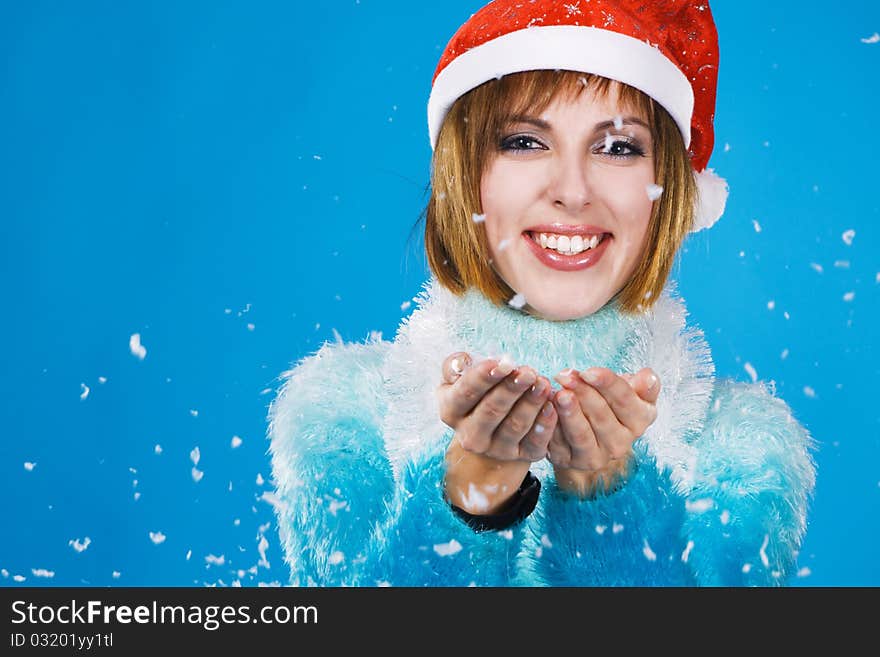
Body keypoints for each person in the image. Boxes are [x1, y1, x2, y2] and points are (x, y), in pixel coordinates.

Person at [267, 0, 816, 586]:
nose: (573, 191)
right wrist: (469, 501)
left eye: (619, 147)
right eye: (525, 142)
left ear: (668, 194)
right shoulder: (343, 416)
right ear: (466, 177)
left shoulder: (744, 452)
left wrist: (610, 514)